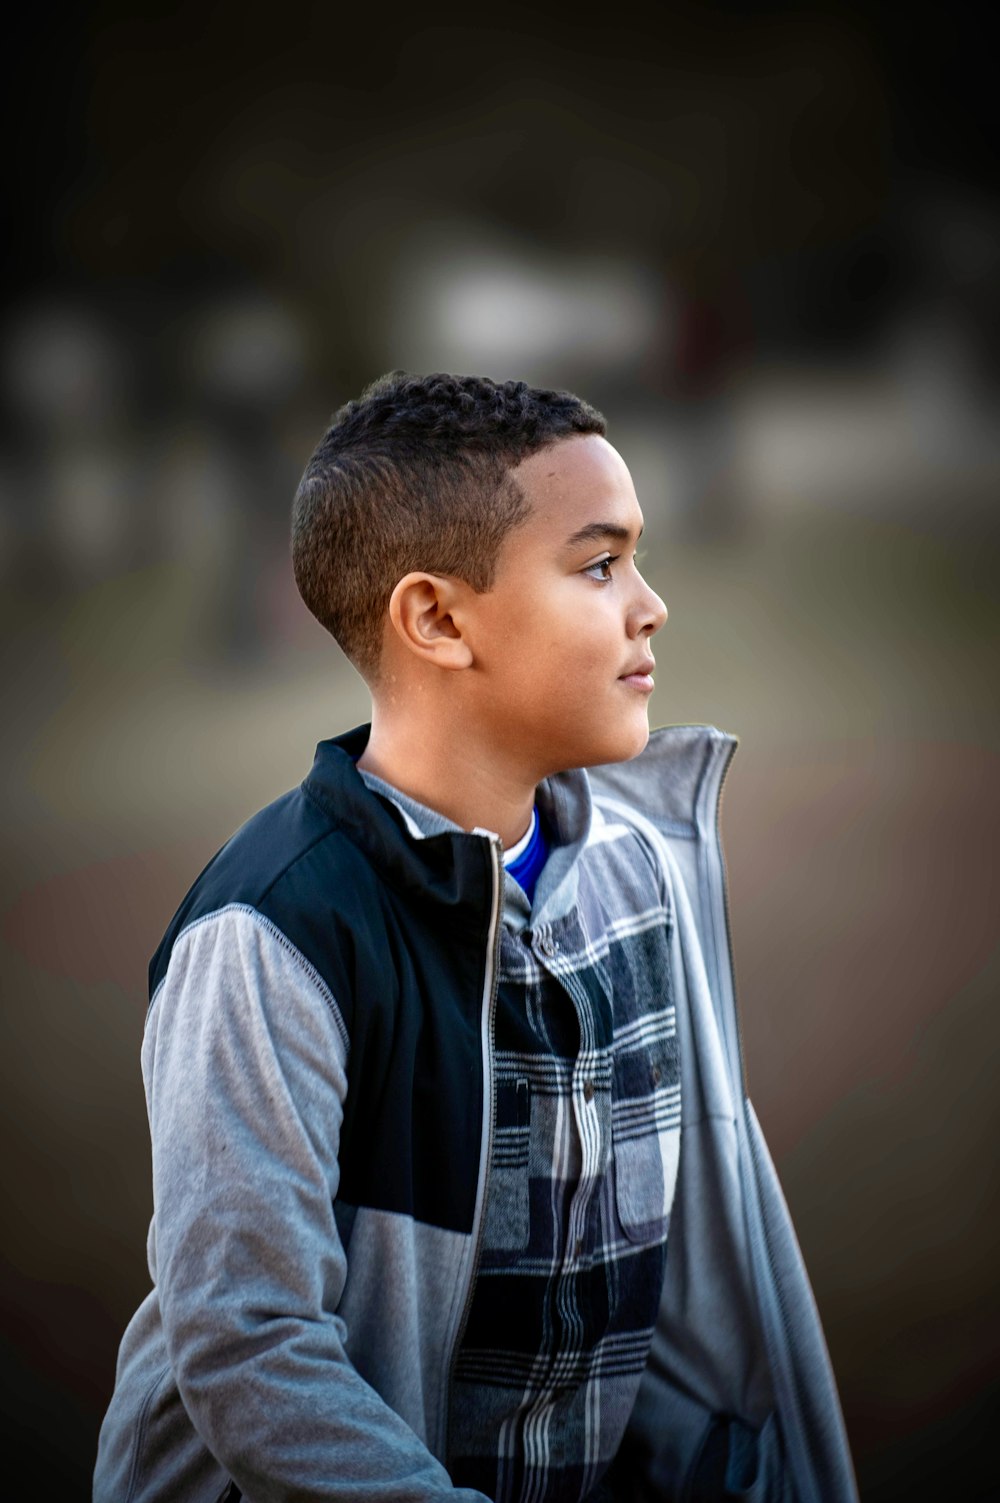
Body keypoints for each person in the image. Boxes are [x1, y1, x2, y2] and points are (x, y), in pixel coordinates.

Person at [94, 372, 858, 1503]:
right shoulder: (274, 932)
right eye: (599, 566)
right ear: (437, 619)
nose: (649, 606)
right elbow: (249, 1347)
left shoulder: (635, 880)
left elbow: (646, 1290)